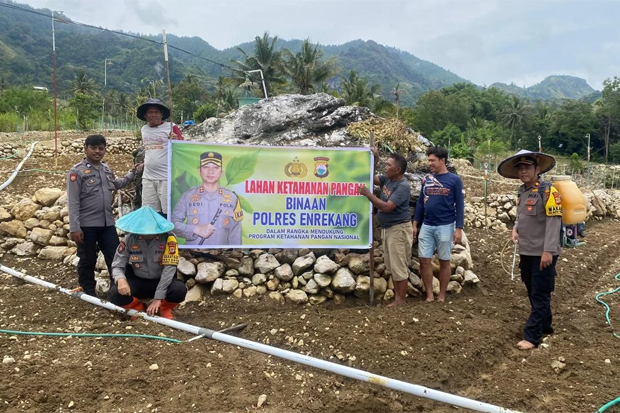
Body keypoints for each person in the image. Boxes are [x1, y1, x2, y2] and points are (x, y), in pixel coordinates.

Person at [497, 149, 561, 350]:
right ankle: (546, 325)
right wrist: (515, 229)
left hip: (543, 251)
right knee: (533, 289)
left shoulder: (549, 191)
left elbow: (554, 222)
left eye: (528, 167)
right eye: (520, 168)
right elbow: (521, 216)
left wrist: (548, 250)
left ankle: (532, 337)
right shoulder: (522, 191)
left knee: (540, 292)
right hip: (526, 250)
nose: (523, 171)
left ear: (538, 169)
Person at [67, 134, 142, 297]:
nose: (97, 152)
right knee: (87, 260)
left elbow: (116, 185)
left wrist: (131, 173)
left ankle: (119, 291)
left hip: (107, 223)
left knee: (115, 257)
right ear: (86, 149)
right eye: (93, 148)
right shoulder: (77, 172)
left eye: (101, 148)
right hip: (87, 225)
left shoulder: (106, 169)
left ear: (105, 150)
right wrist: (74, 227)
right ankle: (88, 292)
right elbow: (73, 202)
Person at [108, 206, 187, 319]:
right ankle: (137, 307)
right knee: (114, 294)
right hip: (138, 281)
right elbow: (117, 264)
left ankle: (163, 308)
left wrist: (158, 298)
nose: (146, 233)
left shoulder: (169, 239)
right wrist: (120, 279)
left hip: (161, 281)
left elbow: (169, 269)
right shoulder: (130, 239)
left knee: (179, 290)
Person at [358, 149, 413, 307]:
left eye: (388, 165)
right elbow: (372, 177)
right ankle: (398, 299)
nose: (385, 167)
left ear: (398, 170)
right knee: (392, 264)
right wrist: (374, 160)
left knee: (398, 265)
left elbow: (388, 207)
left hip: (398, 230)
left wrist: (368, 195)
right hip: (388, 228)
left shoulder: (402, 186)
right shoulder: (388, 180)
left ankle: (400, 300)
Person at [412, 146, 465, 302]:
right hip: (427, 225)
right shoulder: (426, 180)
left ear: (442, 160)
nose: (430, 163)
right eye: (429, 160)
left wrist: (459, 228)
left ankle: (441, 295)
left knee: (444, 260)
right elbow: (421, 204)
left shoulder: (454, 180)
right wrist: (415, 224)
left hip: (446, 225)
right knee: (424, 259)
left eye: (432, 160)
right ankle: (429, 294)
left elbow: (460, 205)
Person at [171, 151, 243, 246]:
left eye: (215, 168)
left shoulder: (232, 198)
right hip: (192, 254)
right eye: (206, 167)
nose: (211, 172)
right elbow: (172, 224)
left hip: (222, 255)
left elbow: (236, 233)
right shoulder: (187, 196)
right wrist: (196, 229)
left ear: (221, 172)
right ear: (199, 171)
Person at [137, 98, 183, 216]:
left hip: (166, 177)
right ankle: (153, 235)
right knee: (150, 212)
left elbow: (183, 147)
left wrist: (176, 140)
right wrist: (143, 163)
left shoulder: (172, 127)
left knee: (168, 213)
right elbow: (149, 149)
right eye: (150, 112)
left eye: (156, 112)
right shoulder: (144, 129)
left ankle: (168, 235)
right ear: (145, 115)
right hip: (148, 177)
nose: (153, 115)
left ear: (162, 114)